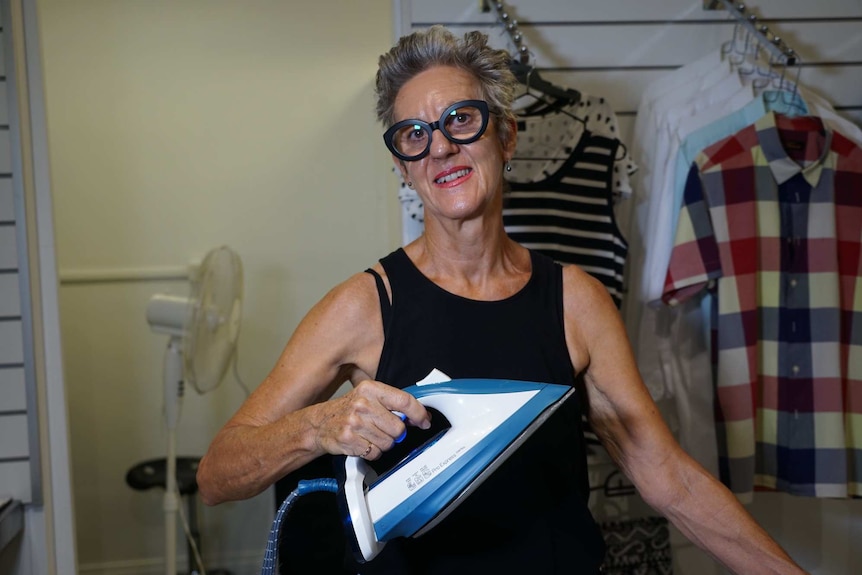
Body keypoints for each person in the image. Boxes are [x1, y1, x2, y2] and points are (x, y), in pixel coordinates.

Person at [196, 25, 807, 575]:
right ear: (403, 167)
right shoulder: (362, 306)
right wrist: (318, 426)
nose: (439, 147)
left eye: (461, 119)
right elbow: (217, 474)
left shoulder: (577, 302)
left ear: (506, 136)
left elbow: (667, 476)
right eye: (414, 134)